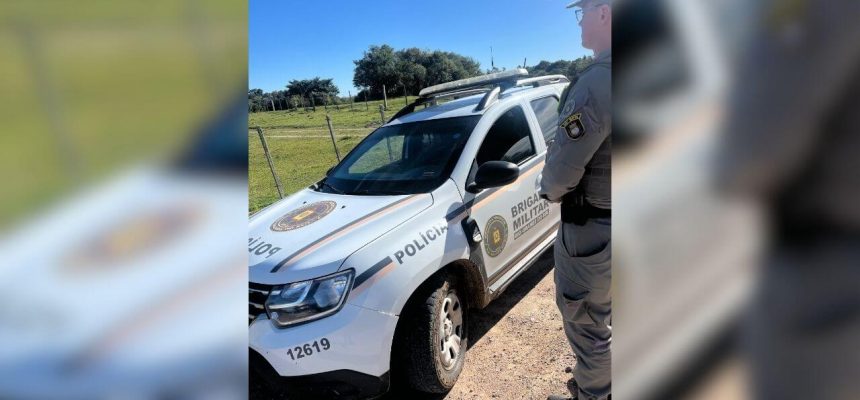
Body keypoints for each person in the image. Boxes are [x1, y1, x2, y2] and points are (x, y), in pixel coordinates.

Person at [539, 0, 612, 399]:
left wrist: (548, 190)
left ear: (605, 12)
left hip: (595, 230)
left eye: (583, 12)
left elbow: (560, 176)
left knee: (588, 326)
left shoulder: (597, 81)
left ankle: (595, 393)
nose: (580, 21)